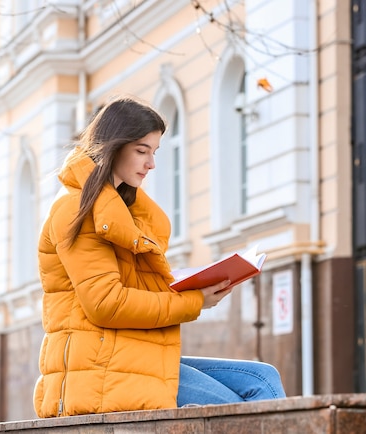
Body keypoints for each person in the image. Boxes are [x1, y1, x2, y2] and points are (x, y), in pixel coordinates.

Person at [33, 95, 285, 418]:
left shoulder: (121, 211)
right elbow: (106, 304)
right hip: (97, 369)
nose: (151, 164)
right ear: (113, 146)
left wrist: (186, 283)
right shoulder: (76, 208)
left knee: (264, 379)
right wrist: (195, 301)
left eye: (154, 152)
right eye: (142, 151)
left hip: (127, 355)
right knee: (232, 411)